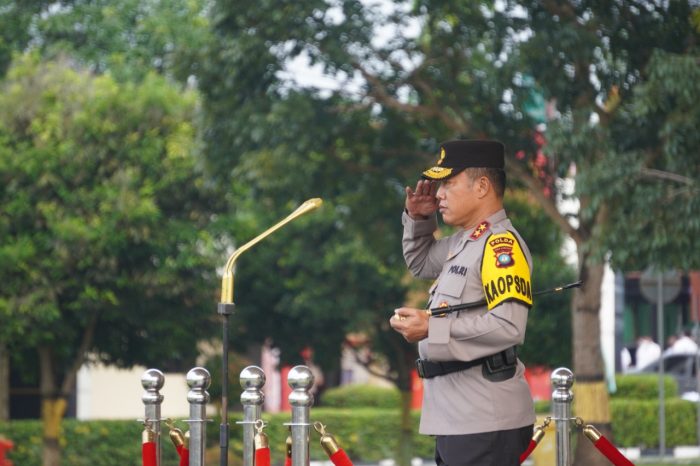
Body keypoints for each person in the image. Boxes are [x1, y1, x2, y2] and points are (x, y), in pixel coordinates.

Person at [389, 140, 535, 466]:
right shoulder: (467, 240)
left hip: (483, 417)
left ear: (482, 186)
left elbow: (509, 326)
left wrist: (432, 328)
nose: (439, 194)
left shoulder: (500, 245)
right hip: (460, 415)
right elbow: (421, 263)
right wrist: (419, 218)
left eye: (448, 184)